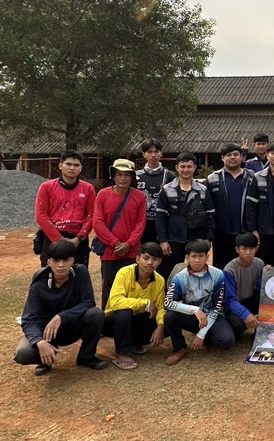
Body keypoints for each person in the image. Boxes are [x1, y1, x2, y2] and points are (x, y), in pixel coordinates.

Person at [14, 240, 108, 376]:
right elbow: (29, 319)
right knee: (23, 353)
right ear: (49, 262)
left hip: (72, 326)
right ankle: (45, 360)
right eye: (56, 260)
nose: (61, 265)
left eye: (66, 260)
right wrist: (39, 342)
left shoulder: (80, 272)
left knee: (96, 314)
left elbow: (88, 302)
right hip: (47, 332)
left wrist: (61, 316)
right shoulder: (38, 285)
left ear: (72, 260)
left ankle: (86, 357)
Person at [163, 239, 235, 365]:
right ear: (187, 258)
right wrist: (195, 310)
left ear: (207, 257)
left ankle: (205, 337)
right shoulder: (179, 277)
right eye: (193, 256)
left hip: (212, 315)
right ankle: (179, 348)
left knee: (227, 341)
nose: (197, 260)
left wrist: (201, 335)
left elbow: (217, 306)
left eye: (201, 256)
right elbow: (168, 303)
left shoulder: (218, 274)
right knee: (169, 316)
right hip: (191, 316)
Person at [103, 242, 166, 370]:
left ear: (159, 262)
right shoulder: (124, 273)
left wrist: (160, 326)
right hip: (113, 322)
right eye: (146, 258)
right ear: (137, 259)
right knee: (124, 312)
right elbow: (115, 301)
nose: (150, 263)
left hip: (137, 320)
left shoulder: (159, 280)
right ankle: (122, 352)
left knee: (168, 321)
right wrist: (146, 303)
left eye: (155, 259)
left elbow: (160, 307)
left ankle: (135, 343)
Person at [93, 158, 147, 310]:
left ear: (132, 177)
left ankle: (129, 318)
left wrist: (129, 243)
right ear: (113, 176)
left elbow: (140, 223)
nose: (123, 178)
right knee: (109, 287)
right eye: (119, 174)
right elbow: (98, 222)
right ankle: (107, 318)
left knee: (131, 287)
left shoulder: (139, 196)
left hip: (132, 251)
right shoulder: (103, 194)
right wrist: (115, 243)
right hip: (110, 251)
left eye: (127, 175)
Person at [156, 152, 216, 282]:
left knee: (197, 272)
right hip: (173, 238)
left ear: (195, 168)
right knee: (167, 272)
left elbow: (210, 216)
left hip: (197, 237)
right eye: (182, 166)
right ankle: (167, 295)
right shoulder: (167, 189)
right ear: (177, 168)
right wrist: (163, 240)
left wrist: (208, 239)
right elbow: (160, 217)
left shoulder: (203, 190)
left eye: (189, 166)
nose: (186, 170)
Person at [34, 150, 96, 267]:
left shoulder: (88, 189)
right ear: (60, 166)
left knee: (78, 274)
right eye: (68, 164)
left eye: (76, 165)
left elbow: (92, 215)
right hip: (52, 237)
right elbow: (41, 216)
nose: (72, 168)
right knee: (50, 274)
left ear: (81, 168)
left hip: (78, 240)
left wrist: (78, 238)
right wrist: (58, 239)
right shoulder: (46, 187)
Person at [206, 142, 255, 270]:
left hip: (245, 232)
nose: (232, 157)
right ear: (222, 158)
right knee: (221, 269)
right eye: (228, 155)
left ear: (241, 157)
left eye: (235, 154)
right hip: (221, 234)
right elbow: (208, 208)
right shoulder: (212, 179)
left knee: (244, 269)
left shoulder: (252, 178)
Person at [224, 233, 265, 339]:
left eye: (251, 249)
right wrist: (245, 314)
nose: (248, 252)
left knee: (266, 302)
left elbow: (261, 291)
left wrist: (268, 275)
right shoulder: (229, 270)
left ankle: (259, 332)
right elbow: (230, 299)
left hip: (250, 300)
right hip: (234, 304)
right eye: (244, 249)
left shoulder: (260, 264)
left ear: (256, 249)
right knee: (239, 325)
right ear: (237, 250)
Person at [136, 138, 176, 244]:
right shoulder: (136, 176)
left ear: (161, 153)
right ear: (144, 154)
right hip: (141, 225)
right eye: (149, 152)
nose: (153, 155)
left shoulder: (169, 176)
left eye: (156, 151)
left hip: (163, 224)